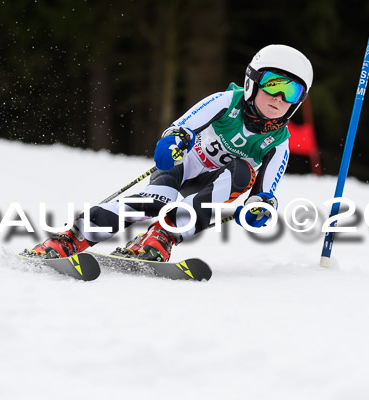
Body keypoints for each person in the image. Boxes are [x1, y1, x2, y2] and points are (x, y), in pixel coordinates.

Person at [27, 44, 313, 261]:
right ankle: (73, 237)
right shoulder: (226, 102)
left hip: (212, 188)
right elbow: (181, 129)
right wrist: (172, 143)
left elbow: (265, 193)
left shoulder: (279, 143)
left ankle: (161, 236)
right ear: (252, 81)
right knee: (154, 202)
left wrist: (259, 209)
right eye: (274, 83)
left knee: (242, 173)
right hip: (183, 167)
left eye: (292, 92)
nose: (279, 98)